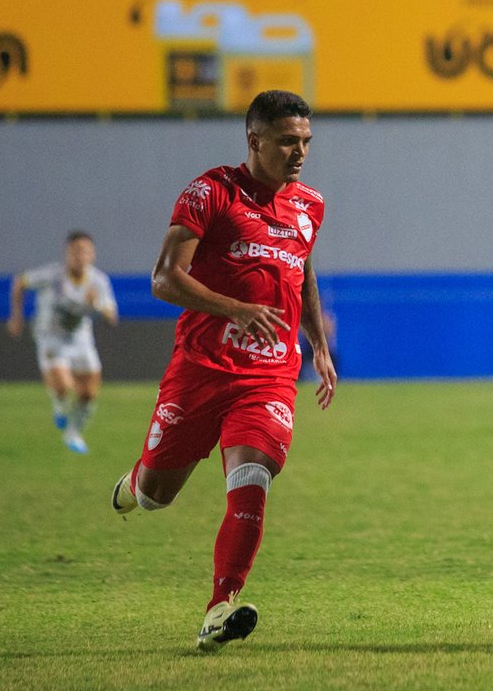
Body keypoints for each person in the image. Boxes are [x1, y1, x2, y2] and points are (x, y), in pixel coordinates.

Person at [110, 90, 335, 653]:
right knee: (159, 494)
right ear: (253, 140)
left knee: (252, 476)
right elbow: (164, 279)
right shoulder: (211, 193)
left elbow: (302, 270)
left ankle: (220, 607)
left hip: (269, 372)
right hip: (202, 368)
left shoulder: (309, 205)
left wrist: (319, 343)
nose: (299, 152)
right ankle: (138, 480)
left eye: (306, 141)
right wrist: (235, 308)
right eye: (288, 141)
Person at [7, 231, 119, 454]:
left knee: (88, 393)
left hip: (81, 339)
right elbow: (20, 282)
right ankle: (59, 404)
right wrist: (16, 316)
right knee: (64, 385)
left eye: (85, 252)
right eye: (76, 251)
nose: (80, 256)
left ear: (92, 255)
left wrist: (96, 303)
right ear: (67, 254)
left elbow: (112, 318)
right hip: (50, 336)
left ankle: (74, 432)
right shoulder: (52, 275)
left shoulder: (98, 281)